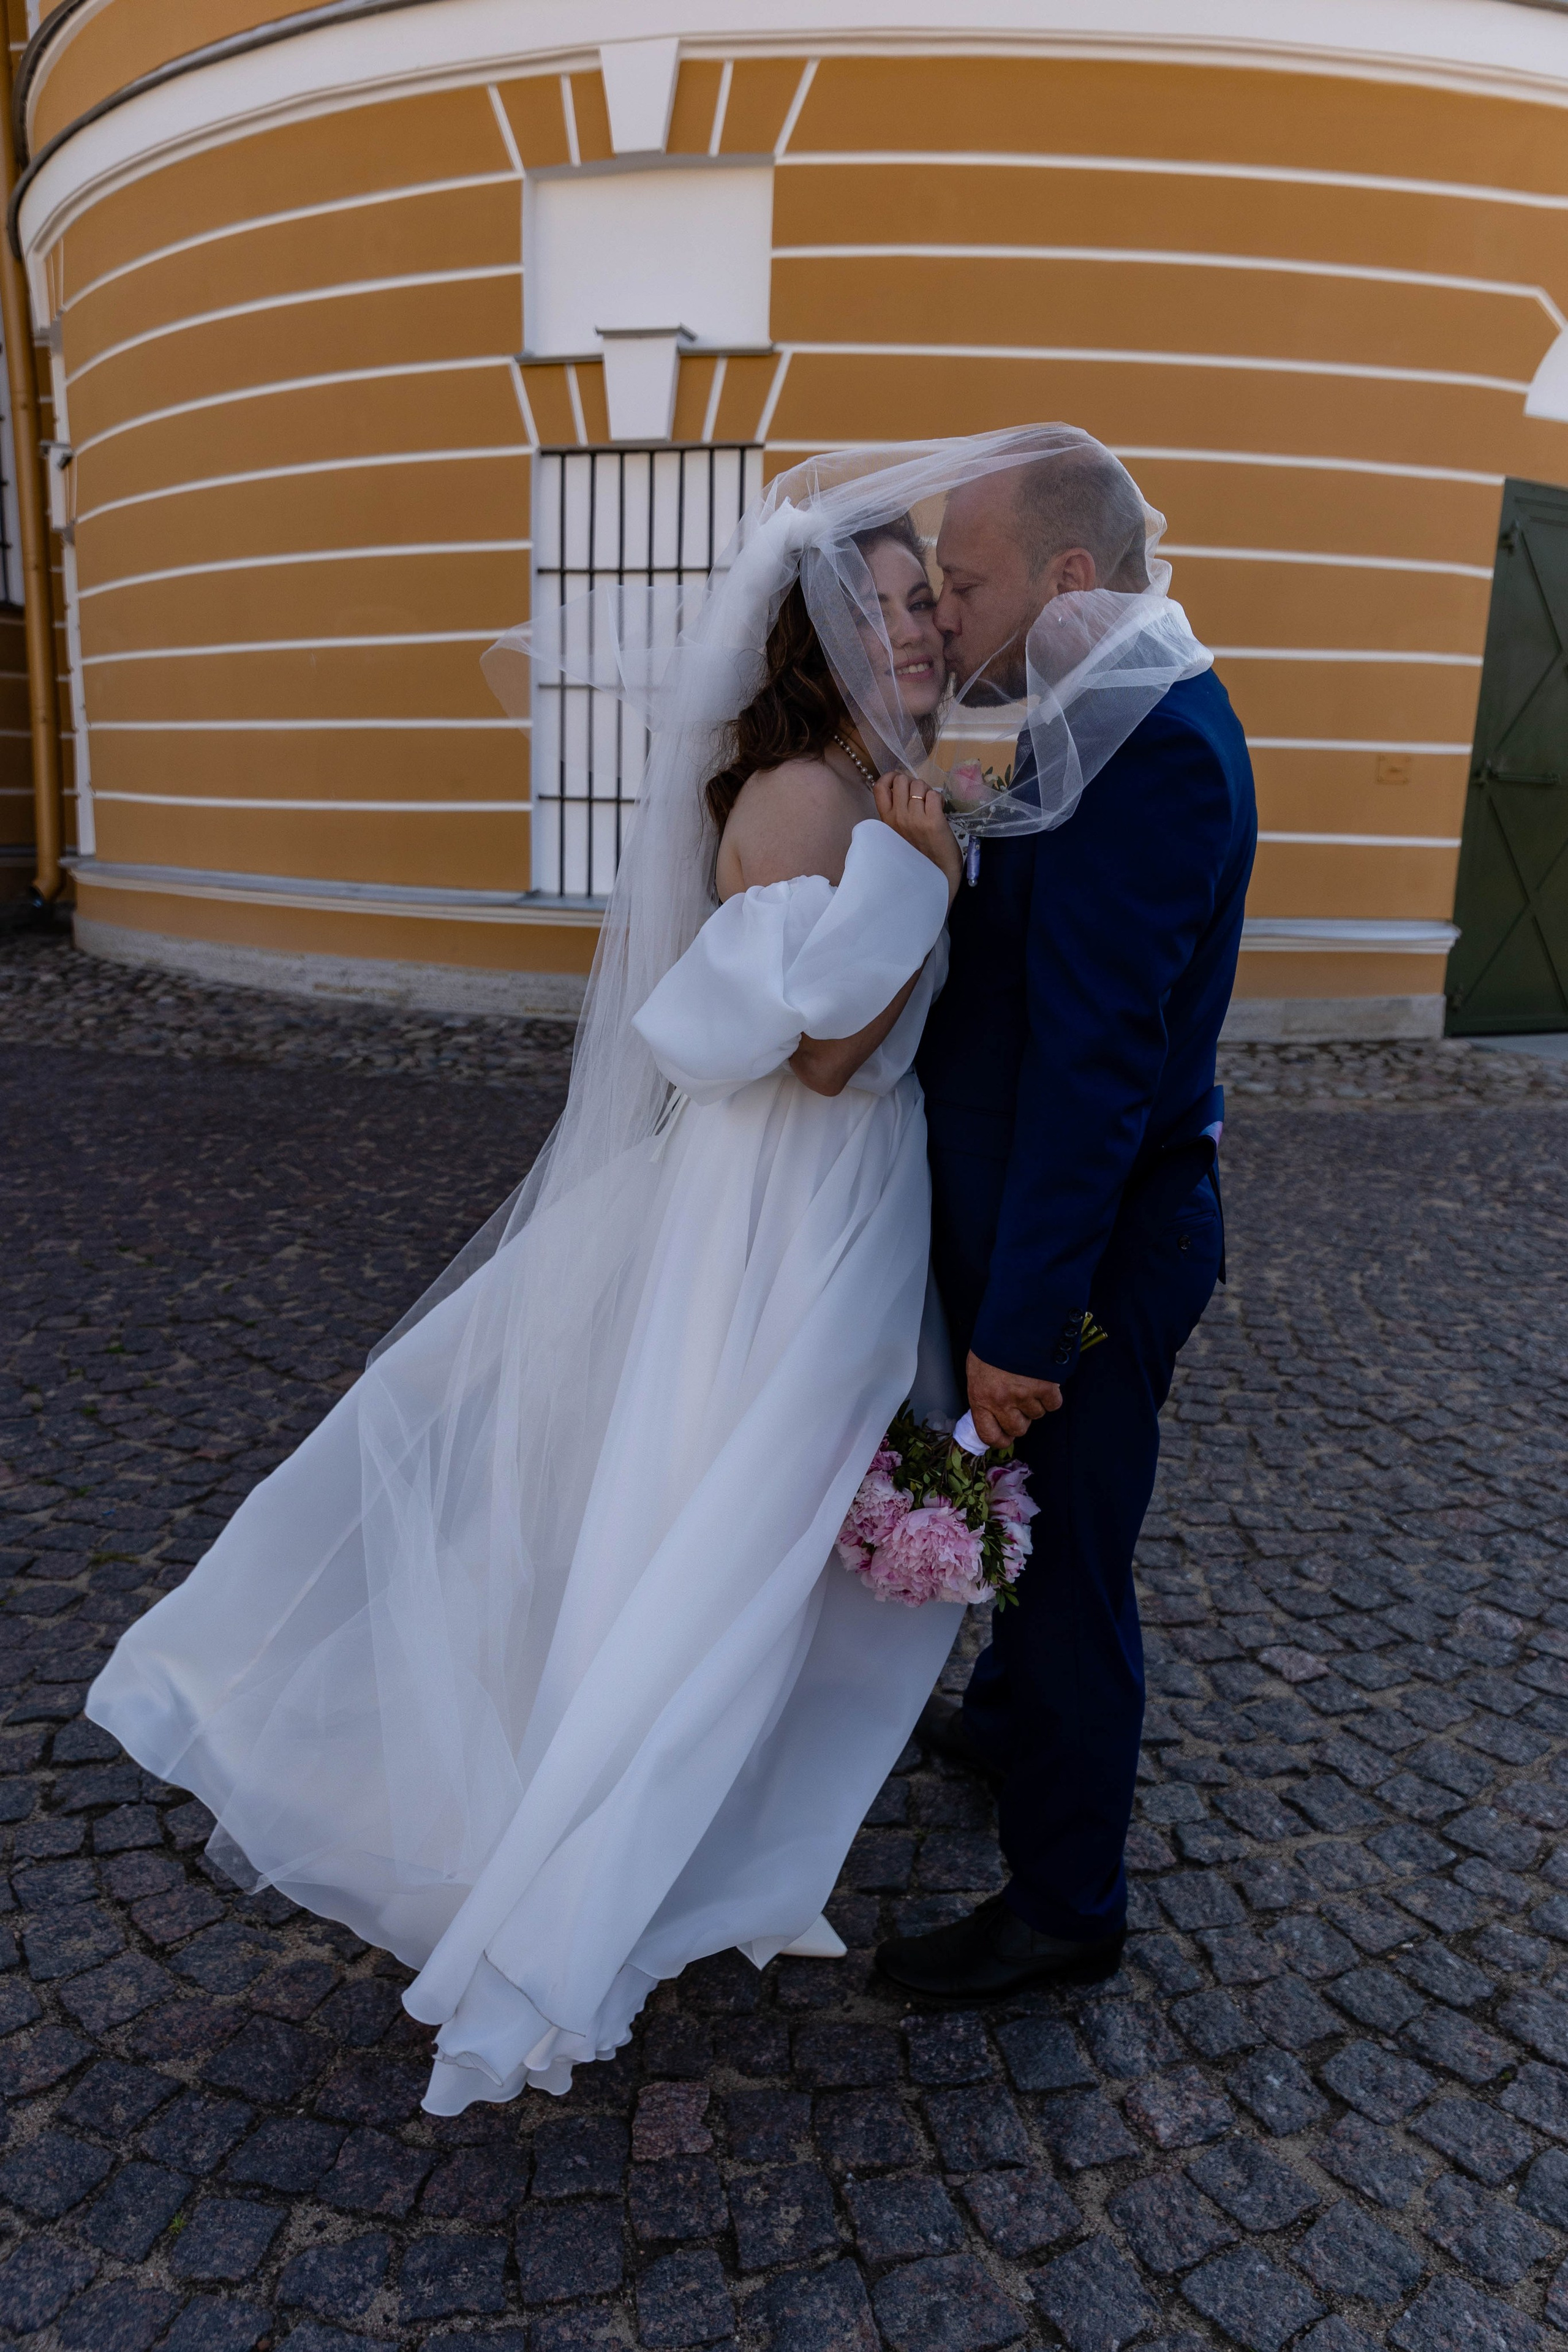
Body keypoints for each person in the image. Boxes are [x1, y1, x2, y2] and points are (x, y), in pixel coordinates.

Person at [85, 429, 1213, 2108]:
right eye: (893, 602)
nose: (921, 629)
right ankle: (608, 1853)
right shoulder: (813, 799)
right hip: (798, 1208)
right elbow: (817, 1058)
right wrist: (917, 878)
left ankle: (799, 1798)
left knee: (770, 1524)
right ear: (816, 629)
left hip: (853, 1212)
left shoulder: (913, 775)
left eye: (935, 597)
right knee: (732, 1530)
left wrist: (929, 854)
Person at [878, 442, 1258, 2000]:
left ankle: (1063, 1908)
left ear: (1067, 582)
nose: (944, 612)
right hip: (1047, 1229)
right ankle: (1010, 1718)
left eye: (961, 585)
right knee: (1042, 1551)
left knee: (1073, 1566)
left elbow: (1099, 1070)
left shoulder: (1153, 749)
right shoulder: (1079, 710)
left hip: (1096, 1256)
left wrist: (1020, 1332)